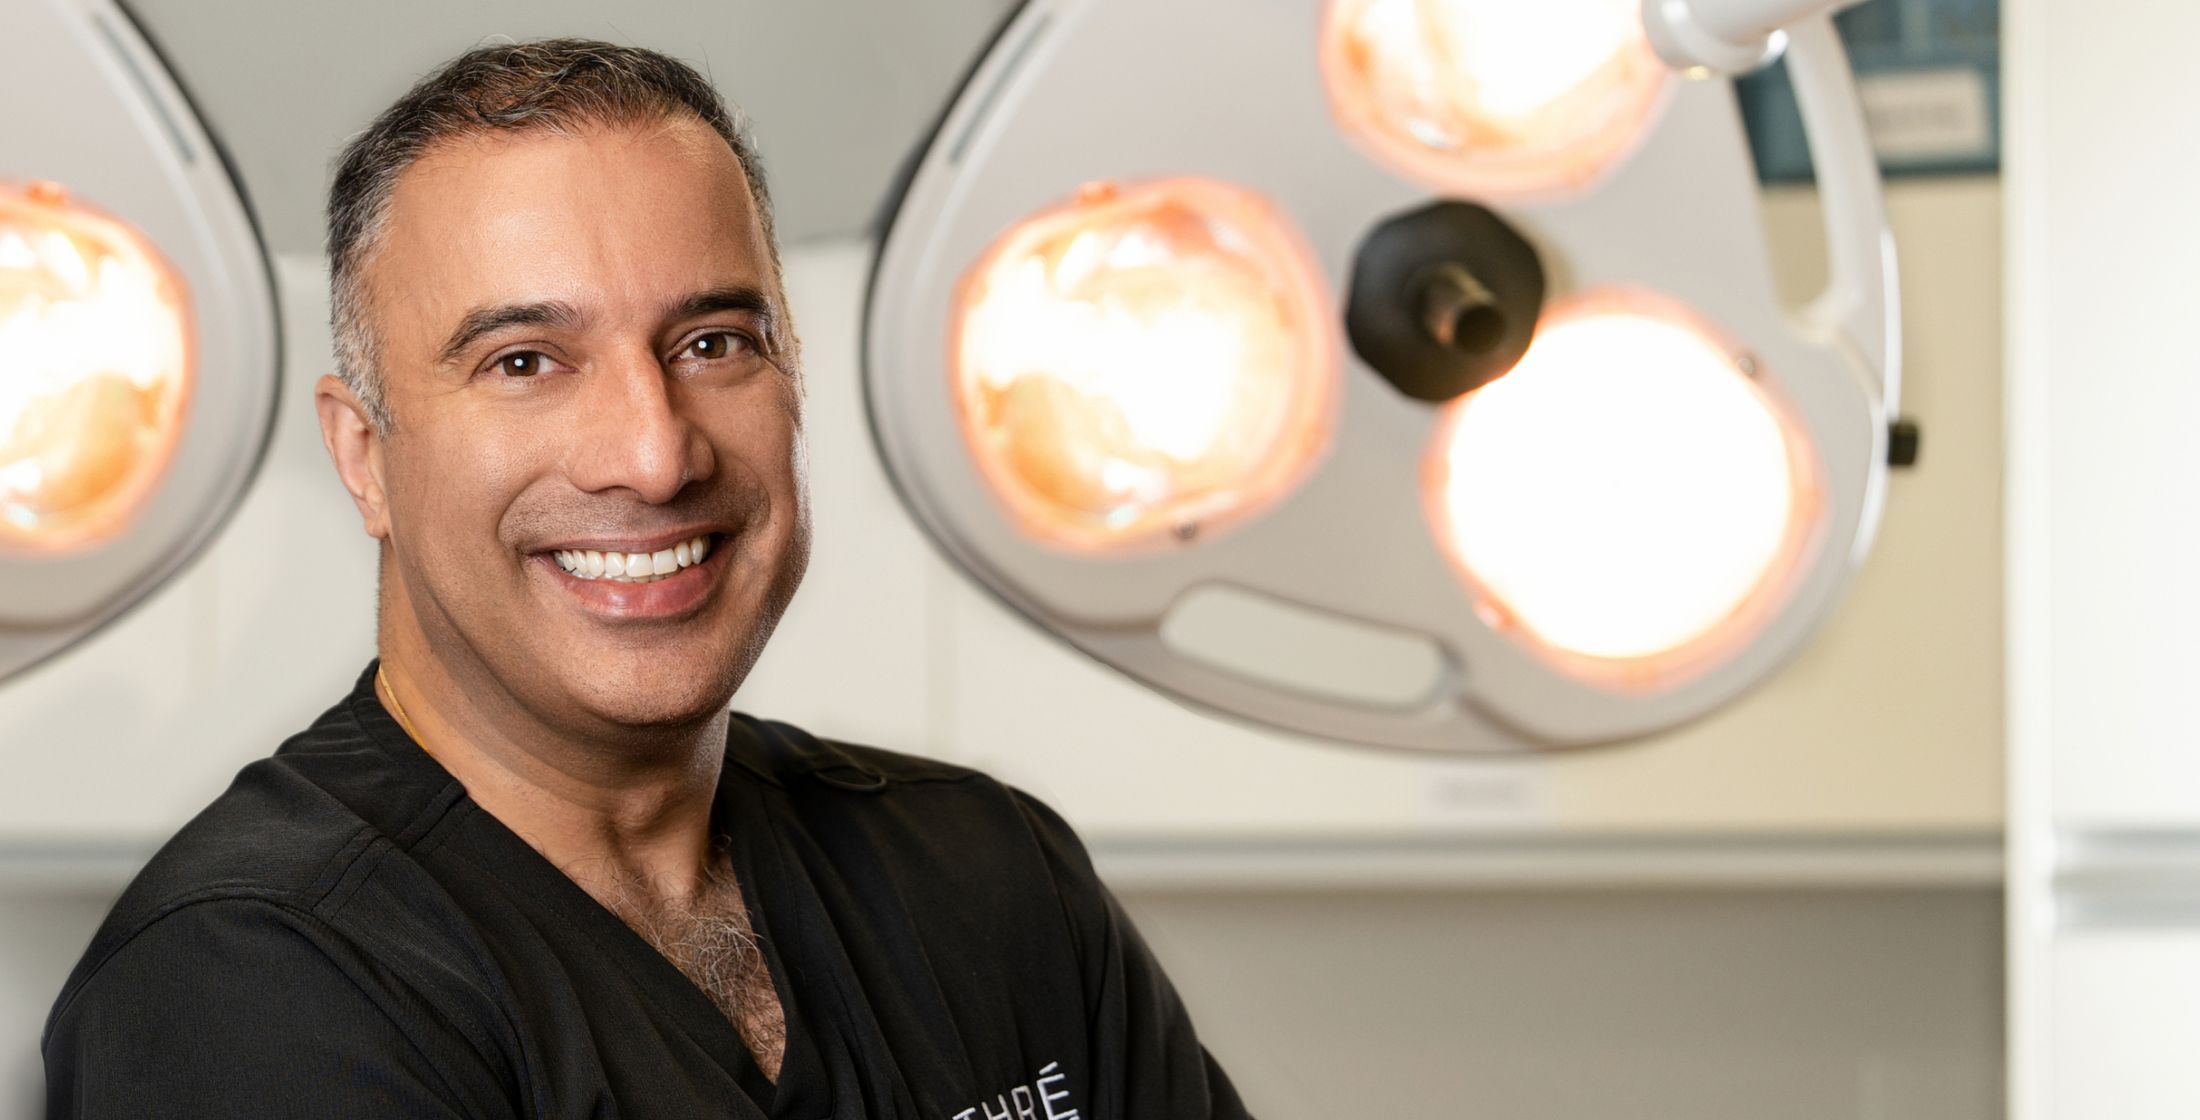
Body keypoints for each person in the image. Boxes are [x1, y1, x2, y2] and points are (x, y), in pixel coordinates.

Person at [42, 39, 1247, 1119]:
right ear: (365, 456)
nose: (654, 453)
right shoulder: (251, 981)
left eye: (713, 343)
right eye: (525, 361)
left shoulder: (987, 876)